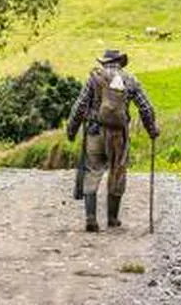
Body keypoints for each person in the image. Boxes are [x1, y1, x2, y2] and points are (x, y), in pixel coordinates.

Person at [66, 49, 160, 232]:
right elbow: (146, 108)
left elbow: (79, 106)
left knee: (92, 171)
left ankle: (91, 218)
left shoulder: (94, 79)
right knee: (117, 172)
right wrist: (152, 130)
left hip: (94, 131)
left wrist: (71, 130)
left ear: (104, 62)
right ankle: (113, 218)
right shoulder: (130, 80)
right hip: (118, 135)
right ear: (120, 62)